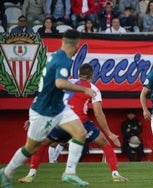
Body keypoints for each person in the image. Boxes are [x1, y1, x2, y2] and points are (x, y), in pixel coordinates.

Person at [0, 29, 96, 188]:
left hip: (58, 107)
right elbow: (59, 83)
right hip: (43, 112)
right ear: (76, 45)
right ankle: (7, 173)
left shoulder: (57, 55)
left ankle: (70, 173)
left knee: (80, 133)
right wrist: (84, 89)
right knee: (31, 148)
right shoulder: (64, 60)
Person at [18, 63, 128, 183]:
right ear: (92, 75)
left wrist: (36, 119)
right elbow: (98, 113)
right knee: (105, 143)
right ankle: (115, 174)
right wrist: (109, 133)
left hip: (62, 122)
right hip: (80, 123)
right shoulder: (93, 88)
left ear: (79, 73)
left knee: (42, 143)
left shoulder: (68, 83)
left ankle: (31, 174)